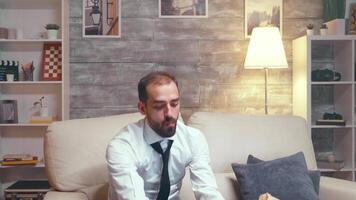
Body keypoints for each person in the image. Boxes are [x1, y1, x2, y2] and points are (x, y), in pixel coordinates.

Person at [106, 71, 224, 200]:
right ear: (142, 108)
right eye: (159, 106)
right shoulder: (122, 146)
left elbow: (208, 191)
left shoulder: (193, 138)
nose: (169, 114)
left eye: (174, 104)